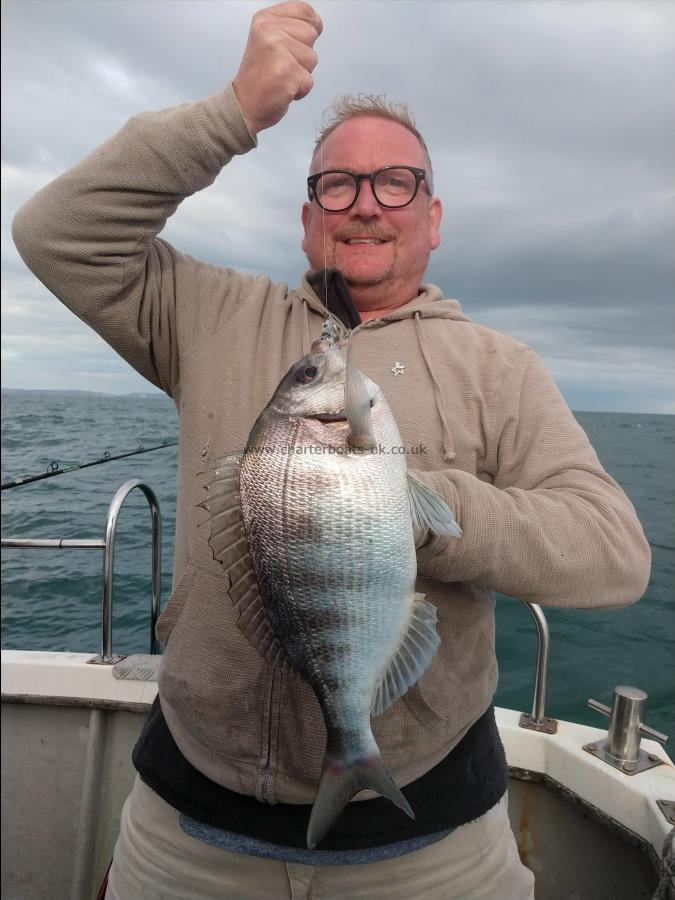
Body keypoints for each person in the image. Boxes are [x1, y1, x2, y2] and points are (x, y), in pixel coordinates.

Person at [12, 2, 651, 898]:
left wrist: (415, 508)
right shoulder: (207, 313)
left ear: (432, 216)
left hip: (431, 843)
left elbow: (613, 556)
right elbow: (55, 234)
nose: (364, 204)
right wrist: (234, 110)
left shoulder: (501, 369)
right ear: (307, 219)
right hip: (188, 825)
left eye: (395, 183)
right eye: (335, 186)